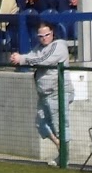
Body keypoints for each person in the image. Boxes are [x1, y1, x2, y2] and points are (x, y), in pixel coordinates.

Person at [12, 19, 70, 155]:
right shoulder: (39, 48)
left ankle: (64, 158)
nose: (44, 38)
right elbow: (32, 56)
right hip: (44, 94)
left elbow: (43, 60)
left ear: (53, 33)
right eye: (41, 36)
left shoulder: (58, 46)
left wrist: (22, 59)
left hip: (58, 92)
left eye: (47, 35)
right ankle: (59, 146)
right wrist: (18, 58)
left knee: (60, 125)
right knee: (41, 123)